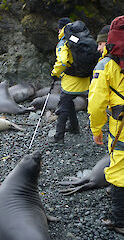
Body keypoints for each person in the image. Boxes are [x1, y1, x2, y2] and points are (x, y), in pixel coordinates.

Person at [88, 15, 124, 234]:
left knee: (119, 172)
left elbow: (96, 104)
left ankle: (120, 221)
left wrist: (96, 129)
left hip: (120, 130)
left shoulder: (106, 65)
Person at [50, 18, 91, 144]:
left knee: (64, 105)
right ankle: (74, 127)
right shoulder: (81, 38)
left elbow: (62, 61)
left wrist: (54, 73)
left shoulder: (64, 41)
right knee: (69, 102)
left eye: (58, 29)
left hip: (71, 81)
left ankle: (59, 137)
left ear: (61, 28)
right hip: (86, 78)